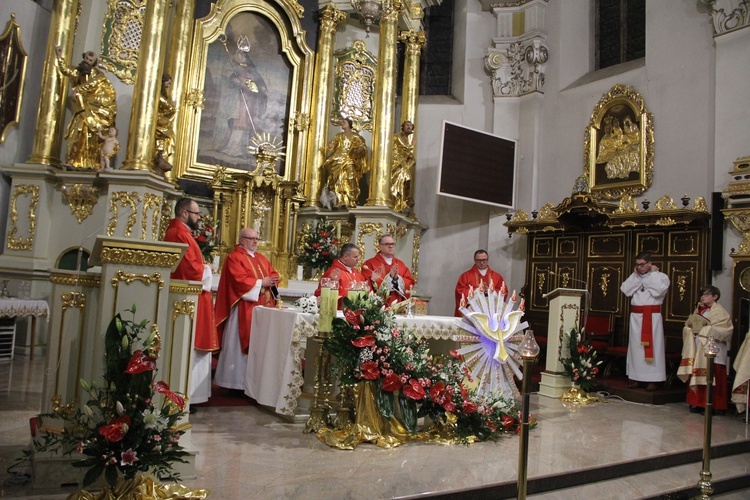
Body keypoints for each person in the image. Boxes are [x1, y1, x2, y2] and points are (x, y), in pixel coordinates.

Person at [163, 198, 219, 407]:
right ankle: (187, 396)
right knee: (190, 346)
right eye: (196, 214)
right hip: (188, 298)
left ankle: (192, 396)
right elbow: (188, 270)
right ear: (185, 213)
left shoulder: (182, 232)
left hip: (194, 298)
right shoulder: (179, 234)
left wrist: (203, 266)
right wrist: (207, 269)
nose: (199, 218)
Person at [214, 228, 280, 392]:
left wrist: (274, 279)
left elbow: (272, 274)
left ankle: (253, 384)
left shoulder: (261, 258)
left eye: (257, 239)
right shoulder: (234, 258)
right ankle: (234, 384)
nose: (255, 242)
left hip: (262, 308)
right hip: (242, 309)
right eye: (251, 239)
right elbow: (238, 280)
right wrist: (260, 283)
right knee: (237, 347)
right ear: (242, 240)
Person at [55, 46, 117, 170]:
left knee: (94, 136)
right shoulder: (78, 71)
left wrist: (77, 89)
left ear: (94, 63)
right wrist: (59, 57)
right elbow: (66, 70)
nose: (87, 61)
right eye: (86, 59)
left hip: (95, 109)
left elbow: (91, 84)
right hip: (82, 109)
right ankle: (74, 160)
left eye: (90, 60)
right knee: (77, 134)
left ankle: (94, 163)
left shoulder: (99, 75)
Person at [677, 285, 733, 413]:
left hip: (713, 348)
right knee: (697, 373)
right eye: (702, 294)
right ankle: (697, 402)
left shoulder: (720, 312)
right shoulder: (698, 310)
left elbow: (727, 331)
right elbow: (689, 324)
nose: (703, 296)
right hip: (698, 347)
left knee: (713, 375)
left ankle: (714, 405)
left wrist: (709, 330)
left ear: (715, 297)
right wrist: (689, 329)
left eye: (707, 294)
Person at [620, 251, 670, 391]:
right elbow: (625, 289)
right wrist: (635, 275)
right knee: (636, 348)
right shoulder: (636, 276)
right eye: (637, 265)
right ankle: (636, 377)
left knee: (653, 348)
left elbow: (659, 291)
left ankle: (653, 379)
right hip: (636, 318)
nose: (639, 268)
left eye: (642, 265)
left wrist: (652, 275)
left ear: (650, 263)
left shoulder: (661, 277)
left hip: (652, 317)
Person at [320, 118, 368, 209]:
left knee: (350, 177)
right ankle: (338, 200)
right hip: (338, 160)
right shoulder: (338, 136)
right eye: (341, 122)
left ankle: (350, 200)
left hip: (349, 160)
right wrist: (330, 146)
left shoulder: (355, 136)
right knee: (337, 179)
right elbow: (332, 145)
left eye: (344, 122)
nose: (342, 123)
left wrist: (360, 149)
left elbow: (363, 146)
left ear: (349, 124)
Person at [361, 234, 415, 306]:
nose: (391, 246)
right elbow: (366, 284)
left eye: (392, 244)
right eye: (387, 244)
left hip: (398, 304)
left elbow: (410, 282)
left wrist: (396, 279)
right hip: (378, 306)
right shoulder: (370, 264)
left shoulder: (400, 264)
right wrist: (389, 277)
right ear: (379, 247)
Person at [314, 243, 369, 308]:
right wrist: (332, 282)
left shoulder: (357, 273)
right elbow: (320, 295)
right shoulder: (333, 272)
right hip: (339, 311)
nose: (358, 259)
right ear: (345, 256)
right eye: (355, 257)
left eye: (358, 256)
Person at [454, 250, 505, 317]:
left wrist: (492, 292)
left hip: (491, 312)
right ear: (474, 260)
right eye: (479, 260)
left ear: (487, 260)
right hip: (472, 312)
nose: (481, 263)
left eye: (484, 260)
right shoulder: (466, 276)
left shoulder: (497, 276)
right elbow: (459, 291)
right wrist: (476, 291)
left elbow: (503, 292)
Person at [390, 121, 415, 213]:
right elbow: (404, 147)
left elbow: (410, 156)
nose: (409, 127)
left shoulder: (407, 140)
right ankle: (395, 202)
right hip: (396, 163)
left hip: (403, 165)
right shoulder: (397, 136)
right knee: (396, 182)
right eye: (407, 125)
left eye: (411, 126)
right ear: (403, 127)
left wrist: (408, 165)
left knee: (407, 179)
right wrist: (412, 146)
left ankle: (402, 202)